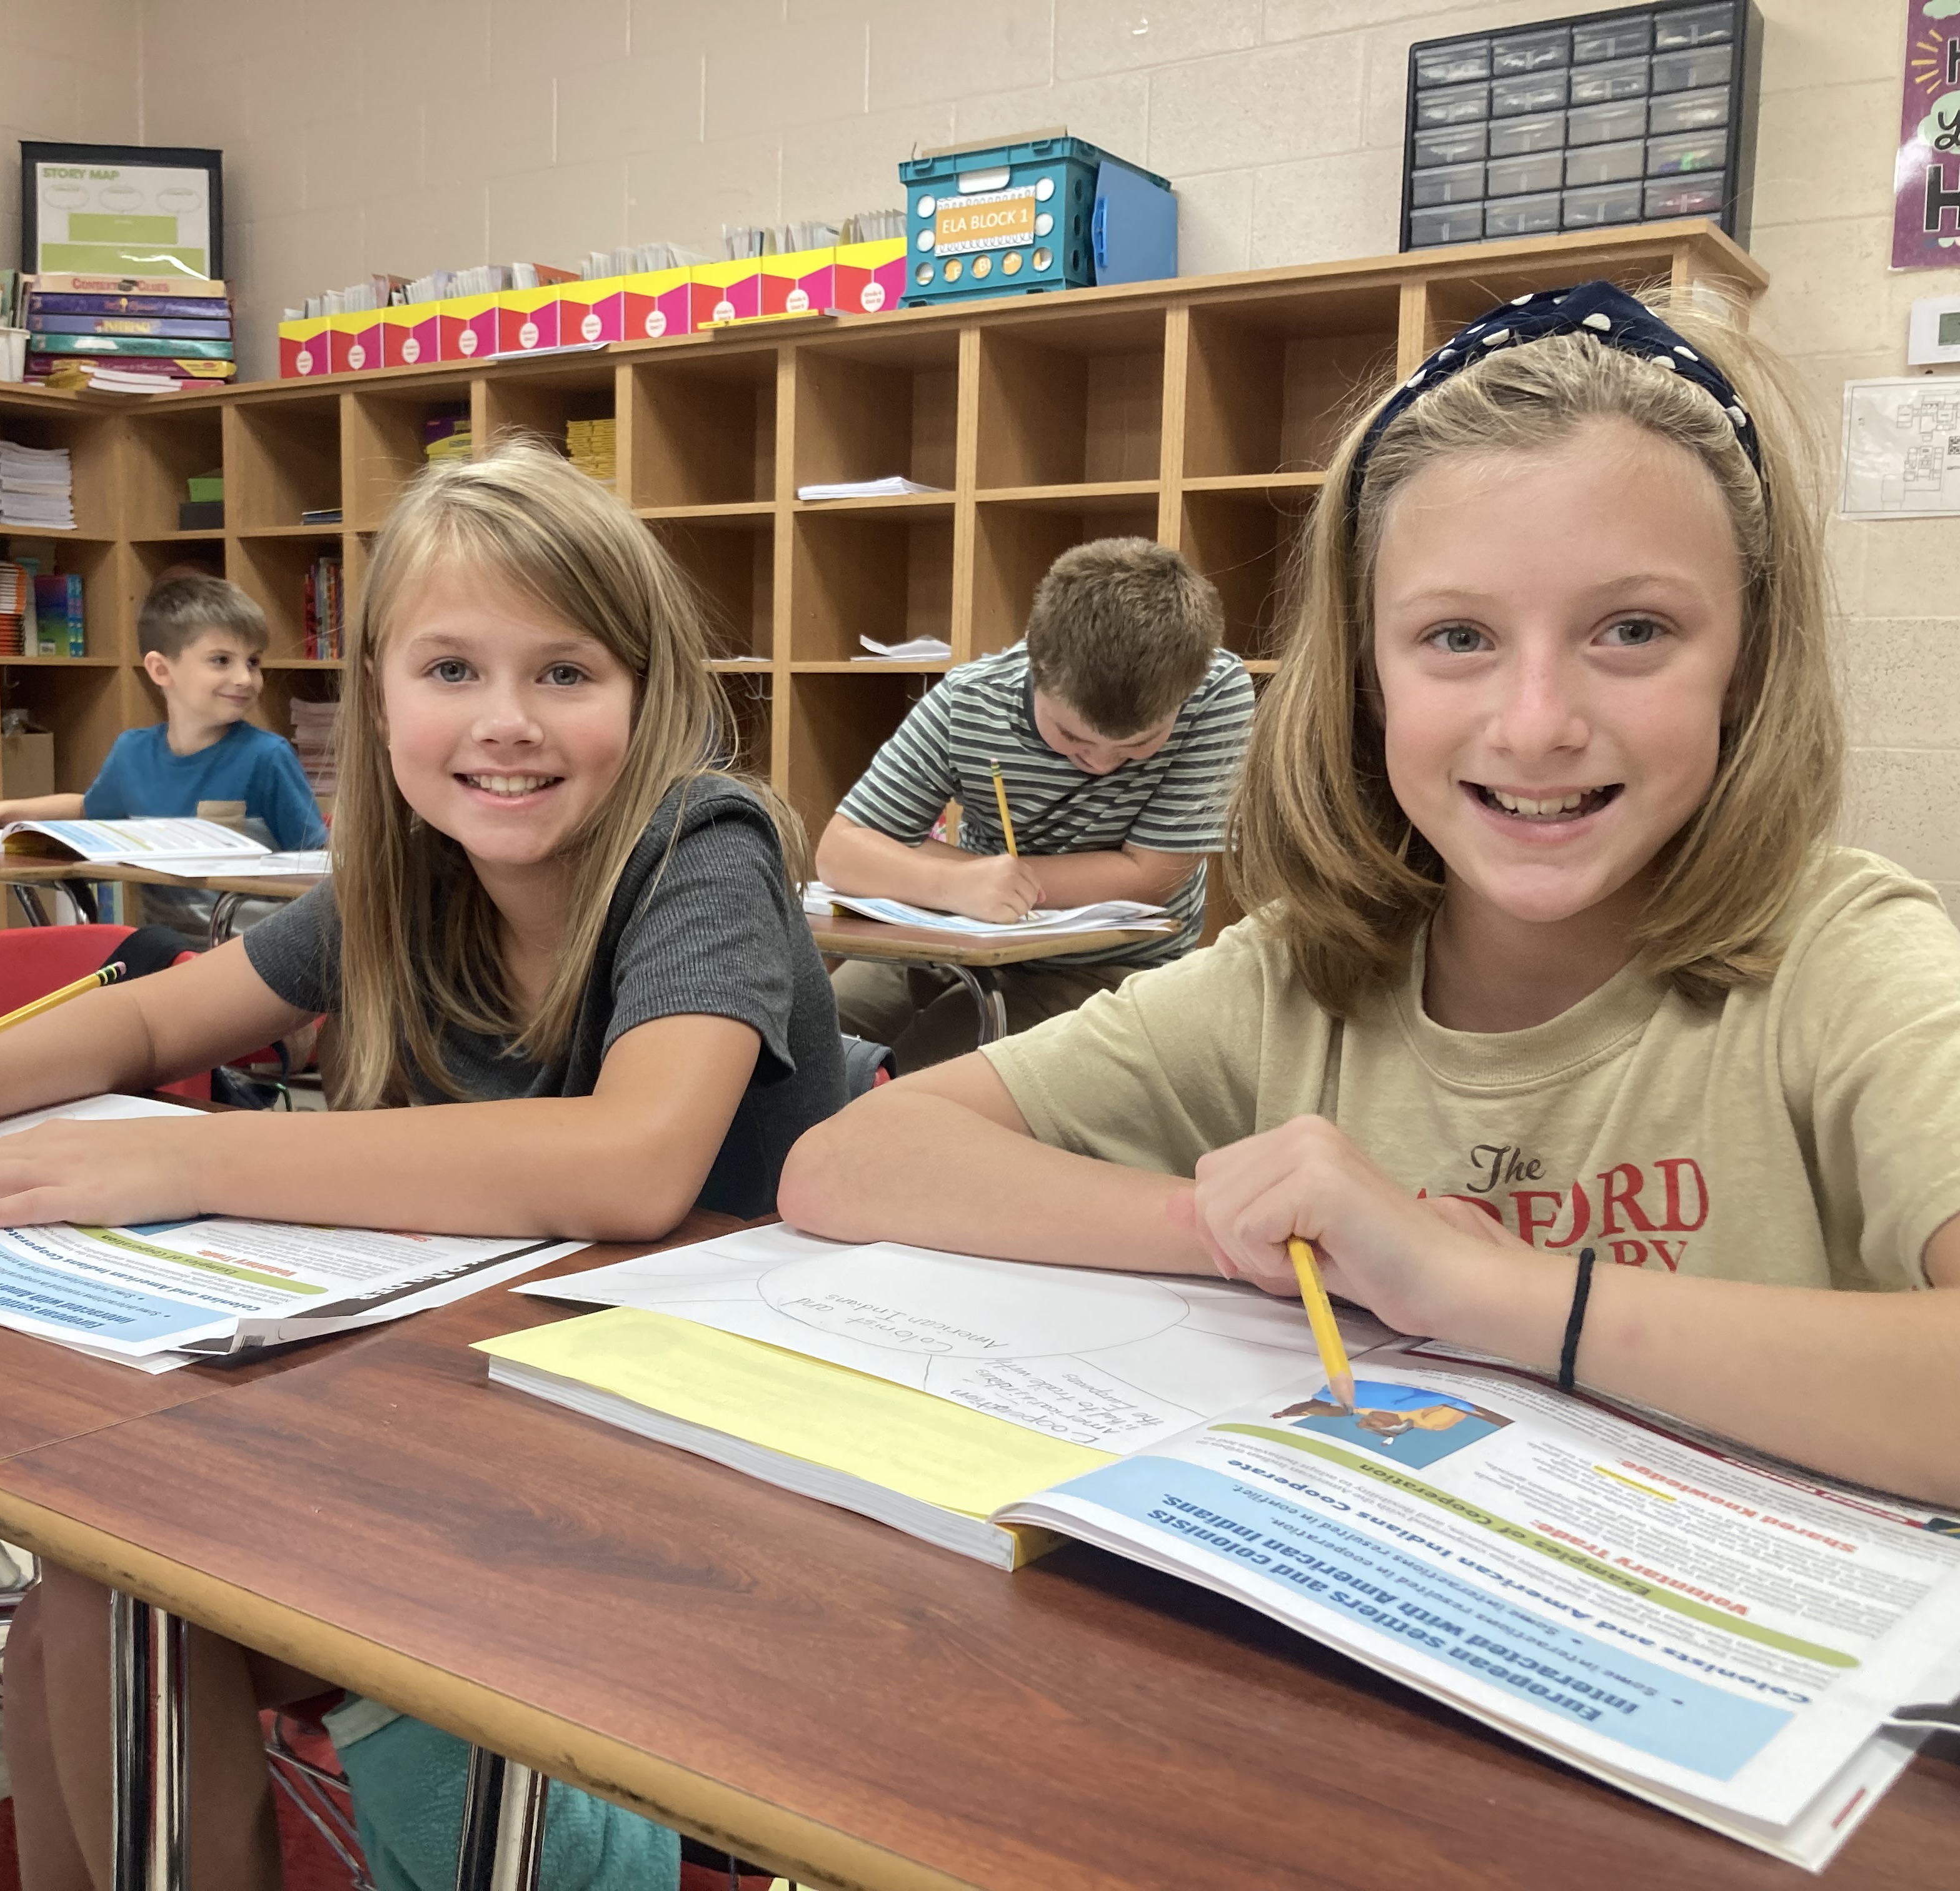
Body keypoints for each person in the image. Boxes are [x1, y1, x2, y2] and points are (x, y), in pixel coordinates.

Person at [0, 441, 849, 1890]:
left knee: (123, 1589)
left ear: (648, 695)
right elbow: (156, 1010)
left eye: (567, 673)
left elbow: (634, 1161)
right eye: (451, 671)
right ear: (378, 697)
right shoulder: (405, 876)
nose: (507, 723)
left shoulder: (698, 847)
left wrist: (202, 1157)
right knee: (86, 1593)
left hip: (699, 1454)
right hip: (477, 1394)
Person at [778, 281, 1960, 1510]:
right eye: (1457, 638)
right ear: (1367, 675)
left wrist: (1475, 1286)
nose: (1538, 723)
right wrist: (1248, 1228)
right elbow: (850, 1165)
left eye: (1634, 630)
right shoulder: (1299, 971)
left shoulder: (1845, 959)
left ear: (1746, 661)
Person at [816, 537, 1253, 1068]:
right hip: (955, 933)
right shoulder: (970, 701)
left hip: (1106, 968)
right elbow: (840, 852)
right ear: (1033, 660)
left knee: (907, 1079)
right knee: (804, 1049)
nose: (1101, 763)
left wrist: (942, 866)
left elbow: (1153, 877)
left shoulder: (1217, 691)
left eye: (1138, 745)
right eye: (1072, 738)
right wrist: (958, 886)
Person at [0, 573, 327, 949]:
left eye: (253, 662)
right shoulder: (132, 752)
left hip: (256, 957)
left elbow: (317, 864)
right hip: (165, 955)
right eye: (222, 661)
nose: (246, 678)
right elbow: (89, 809)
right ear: (160, 669)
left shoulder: (267, 756)